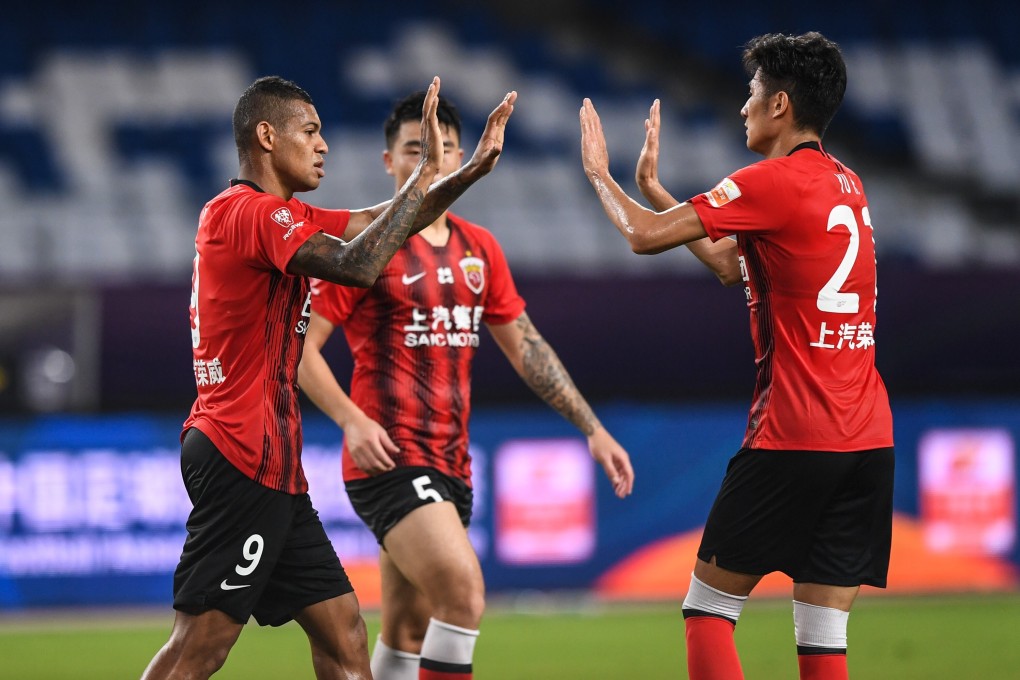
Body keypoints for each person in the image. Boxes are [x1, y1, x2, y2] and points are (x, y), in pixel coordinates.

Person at [141, 74, 517, 680]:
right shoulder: (249, 213)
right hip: (242, 454)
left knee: (344, 634)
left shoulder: (278, 215)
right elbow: (359, 262)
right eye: (310, 131)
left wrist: (466, 173)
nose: (323, 146)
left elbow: (379, 218)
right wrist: (424, 175)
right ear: (266, 135)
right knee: (199, 648)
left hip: (274, 464)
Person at [579, 32, 894, 680]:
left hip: (794, 433)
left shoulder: (773, 180)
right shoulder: (847, 183)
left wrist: (599, 178)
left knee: (709, 608)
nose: (742, 107)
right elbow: (733, 267)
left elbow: (641, 238)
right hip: (867, 439)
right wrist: (661, 190)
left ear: (781, 104)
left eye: (751, 94)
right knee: (823, 629)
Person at [298, 90, 635, 680]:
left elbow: (527, 348)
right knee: (464, 593)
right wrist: (352, 420)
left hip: (453, 463)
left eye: (445, 148)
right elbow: (299, 352)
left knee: (407, 627)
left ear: (459, 158)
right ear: (389, 162)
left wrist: (593, 428)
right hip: (391, 460)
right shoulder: (367, 251)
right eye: (416, 148)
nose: (433, 158)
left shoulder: (481, 249)